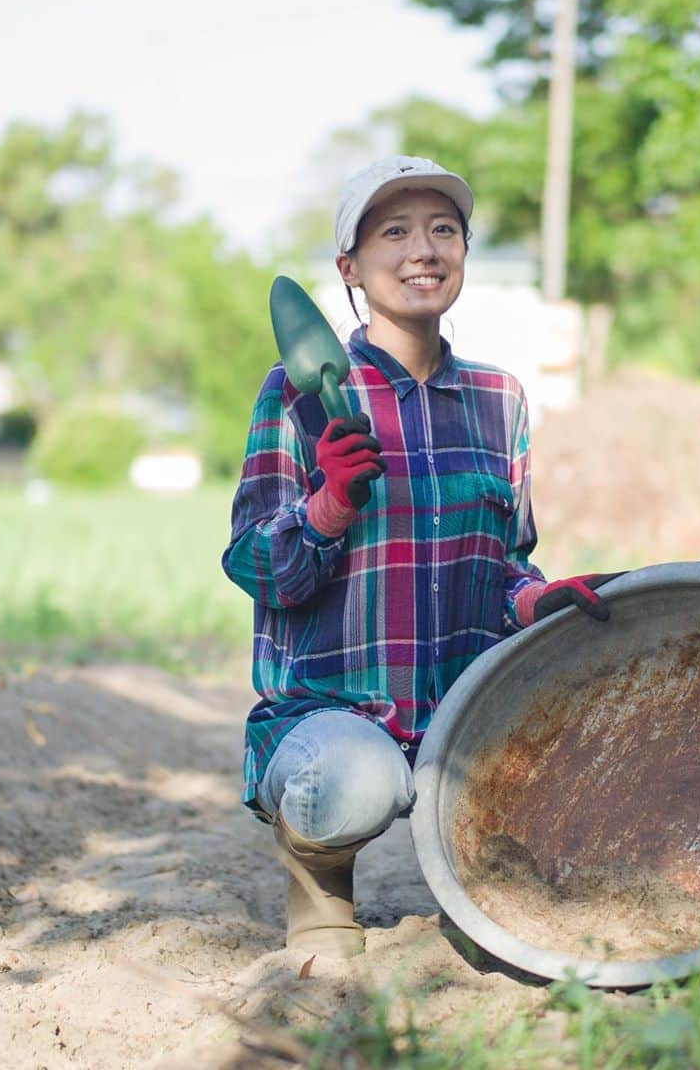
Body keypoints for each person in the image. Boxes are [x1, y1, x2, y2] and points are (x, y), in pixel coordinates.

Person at [222, 155, 616, 958]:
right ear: (351, 269)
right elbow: (254, 565)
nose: (423, 251)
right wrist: (327, 508)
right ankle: (318, 879)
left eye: (444, 231)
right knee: (354, 785)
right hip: (337, 713)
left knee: (592, 776)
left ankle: (483, 900)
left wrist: (535, 601)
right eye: (394, 232)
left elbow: (507, 562)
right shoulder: (297, 394)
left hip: (468, 709)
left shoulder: (499, 400)